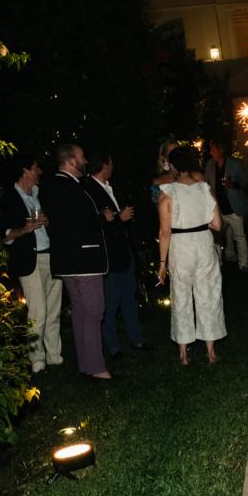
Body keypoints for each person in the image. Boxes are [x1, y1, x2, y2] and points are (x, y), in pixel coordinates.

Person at [43, 144, 111, 380]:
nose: (85, 161)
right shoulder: (68, 187)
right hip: (83, 260)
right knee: (93, 312)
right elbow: (80, 223)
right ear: (71, 160)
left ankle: (86, 364)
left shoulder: (52, 185)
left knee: (82, 313)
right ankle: (96, 368)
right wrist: (103, 217)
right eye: (82, 157)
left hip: (68, 262)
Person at [156, 146, 226, 365]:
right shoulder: (204, 189)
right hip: (204, 243)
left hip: (181, 246)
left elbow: (164, 232)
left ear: (174, 167)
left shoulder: (167, 193)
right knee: (209, 294)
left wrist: (161, 263)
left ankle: (184, 353)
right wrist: (198, 220)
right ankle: (211, 351)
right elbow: (217, 224)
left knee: (181, 295)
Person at [0, 154, 62, 374]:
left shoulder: (38, 194)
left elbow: (49, 224)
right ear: (26, 171)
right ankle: (36, 358)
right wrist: (25, 229)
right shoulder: (8, 198)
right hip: (28, 260)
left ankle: (54, 355)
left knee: (54, 309)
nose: (40, 172)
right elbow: (5, 235)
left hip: (51, 256)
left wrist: (47, 221)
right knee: (38, 311)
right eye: (36, 168)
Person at [84, 151, 147, 359]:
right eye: (111, 163)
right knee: (110, 302)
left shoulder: (111, 187)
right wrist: (120, 219)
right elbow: (95, 225)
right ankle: (113, 346)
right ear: (104, 165)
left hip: (124, 250)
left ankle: (136, 338)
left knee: (129, 296)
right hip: (108, 255)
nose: (113, 167)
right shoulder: (89, 190)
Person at [204, 137, 248, 271]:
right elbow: (205, 183)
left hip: (233, 207)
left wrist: (233, 184)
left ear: (221, 150)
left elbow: (245, 182)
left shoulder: (234, 163)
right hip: (217, 209)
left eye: (213, 150)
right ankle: (220, 262)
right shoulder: (209, 165)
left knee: (239, 236)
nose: (211, 152)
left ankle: (243, 263)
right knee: (218, 237)